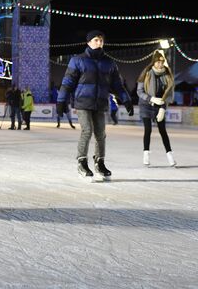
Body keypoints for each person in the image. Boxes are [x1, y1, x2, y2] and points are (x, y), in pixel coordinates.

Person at [57, 30, 133, 181]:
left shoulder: (109, 63)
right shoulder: (77, 60)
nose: (99, 43)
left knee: (101, 134)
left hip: (100, 102)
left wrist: (127, 99)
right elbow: (67, 82)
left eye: (101, 40)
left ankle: (100, 162)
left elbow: (117, 85)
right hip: (83, 102)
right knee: (87, 131)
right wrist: (61, 100)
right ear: (89, 42)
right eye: (96, 40)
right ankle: (82, 162)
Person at [137, 50, 177, 167]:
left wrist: (163, 108)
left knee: (162, 131)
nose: (160, 64)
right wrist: (151, 98)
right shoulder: (147, 73)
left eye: (162, 62)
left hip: (160, 104)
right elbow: (139, 91)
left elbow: (168, 94)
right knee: (148, 130)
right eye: (158, 62)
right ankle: (146, 155)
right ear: (153, 62)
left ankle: (170, 156)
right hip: (146, 104)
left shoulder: (167, 75)